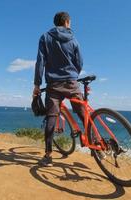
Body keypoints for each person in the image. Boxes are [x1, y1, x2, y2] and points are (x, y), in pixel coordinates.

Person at [33, 11, 84, 167]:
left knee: (51, 118)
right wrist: (73, 74)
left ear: (56, 23)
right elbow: (79, 62)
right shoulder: (73, 39)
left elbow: (40, 62)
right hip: (71, 82)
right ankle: (97, 145)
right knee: (84, 114)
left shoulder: (45, 37)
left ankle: (48, 156)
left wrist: (37, 84)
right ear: (67, 22)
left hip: (53, 85)